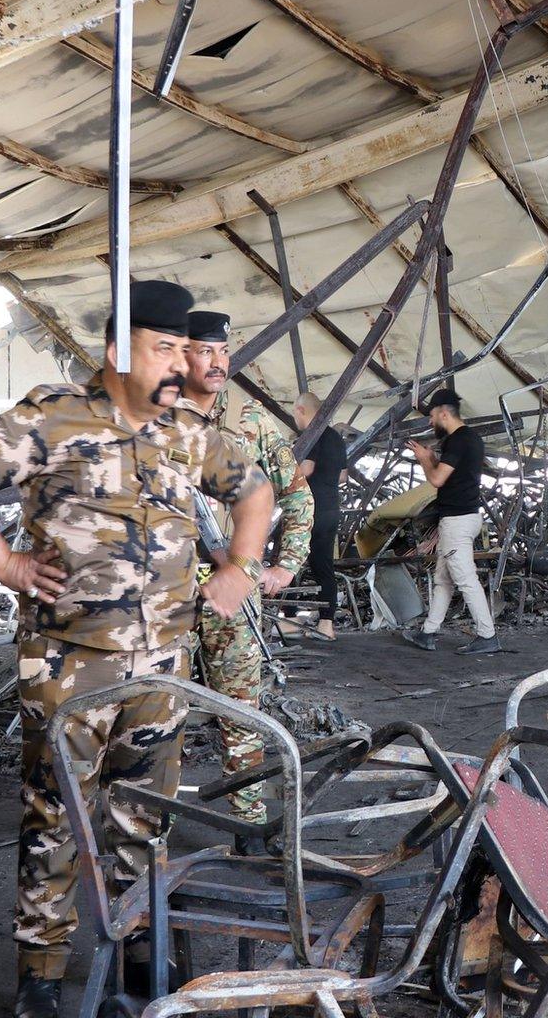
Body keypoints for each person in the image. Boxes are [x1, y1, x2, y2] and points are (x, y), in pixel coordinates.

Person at [0, 280, 274, 1017]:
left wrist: (238, 570)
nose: (180, 364)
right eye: (164, 348)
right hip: (69, 664)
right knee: (56, 815)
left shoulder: (187, 427)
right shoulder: (55, 415)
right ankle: (42, 974)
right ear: (120, 351)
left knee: (145, 810)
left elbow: (255, 493)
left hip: (162, 666)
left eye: (185, 349)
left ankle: (138, 948)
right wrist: (5, 565)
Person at [176, 310, 309, 823]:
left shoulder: (250, 419)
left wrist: (285, 566)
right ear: (177, 354)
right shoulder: (155, 417)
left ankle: (248, 819)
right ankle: (151, 825)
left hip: (233, 589)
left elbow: (297, 495)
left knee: (242, 713)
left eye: (223, 352)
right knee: (158, 714)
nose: (216, 363)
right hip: (168, 593)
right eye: (204, 351)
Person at [401, 389, 495, 655]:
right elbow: (451, 474)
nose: (430, 421)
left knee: (465, 579)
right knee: (443, 579)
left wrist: (424, 461)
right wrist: (432, 459)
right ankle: (428, 633)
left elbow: (437, 480)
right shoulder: (470, 438)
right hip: (463, 517)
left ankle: (487, 635)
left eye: (431, 415)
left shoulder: (458, 440)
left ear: (443, 412)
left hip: (457, 521)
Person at [293, 390, 348, 642]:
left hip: (309, 510)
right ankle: (326, 625)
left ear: (301, 410)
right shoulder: (336, 438)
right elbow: (342, 476)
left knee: (289, 559)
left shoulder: (311, 435)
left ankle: (291, 619)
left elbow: (306, 469)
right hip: (331, 508)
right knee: (323, 565)